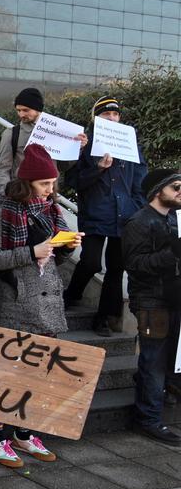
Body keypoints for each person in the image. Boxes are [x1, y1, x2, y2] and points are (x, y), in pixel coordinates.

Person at [0, 144, 82, 468]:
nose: (52, 190)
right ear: (27, 182)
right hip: (15, 303)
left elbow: (52, 254)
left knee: (38, 375)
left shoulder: (51, 209)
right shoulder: (3, 210)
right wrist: (31, 252)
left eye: (54, 183)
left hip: (49, 302)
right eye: (45, 184)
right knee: (8, 375)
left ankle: (24, 433)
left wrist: (67, 246)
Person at [64, 96, 147, 336]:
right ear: (96, 118)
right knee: (90, 261)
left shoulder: (130, 144)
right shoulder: (85, 144)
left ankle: (104, 318)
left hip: (125, 216)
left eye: (115, 114)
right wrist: (98, 168)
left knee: (115, 268)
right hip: (94, 214)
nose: (112, 118)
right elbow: (73, 181)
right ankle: (71, 294)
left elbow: (140, 178)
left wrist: (137, 206)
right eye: (105, 114)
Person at [121, 168, 181, 444]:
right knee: (153, 360)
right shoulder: (140, 222)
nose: (180, 193)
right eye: (176, 188)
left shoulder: (174, 219)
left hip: (172, 298)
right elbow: (136, 266)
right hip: (150, 301)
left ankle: (154, 403)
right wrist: (172, 253)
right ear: (159, 191)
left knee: (165, 359)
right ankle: (148, 420)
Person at [0, 88, 89, 194]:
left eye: (26, 110)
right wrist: (5, 194)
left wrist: (77, 147)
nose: (21, 114)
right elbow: (3, 167)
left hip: (48, 195)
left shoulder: (56, 131)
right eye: (18, 110)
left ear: (38, 109)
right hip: (21, 194)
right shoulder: (11, 133)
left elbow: (62, 166)